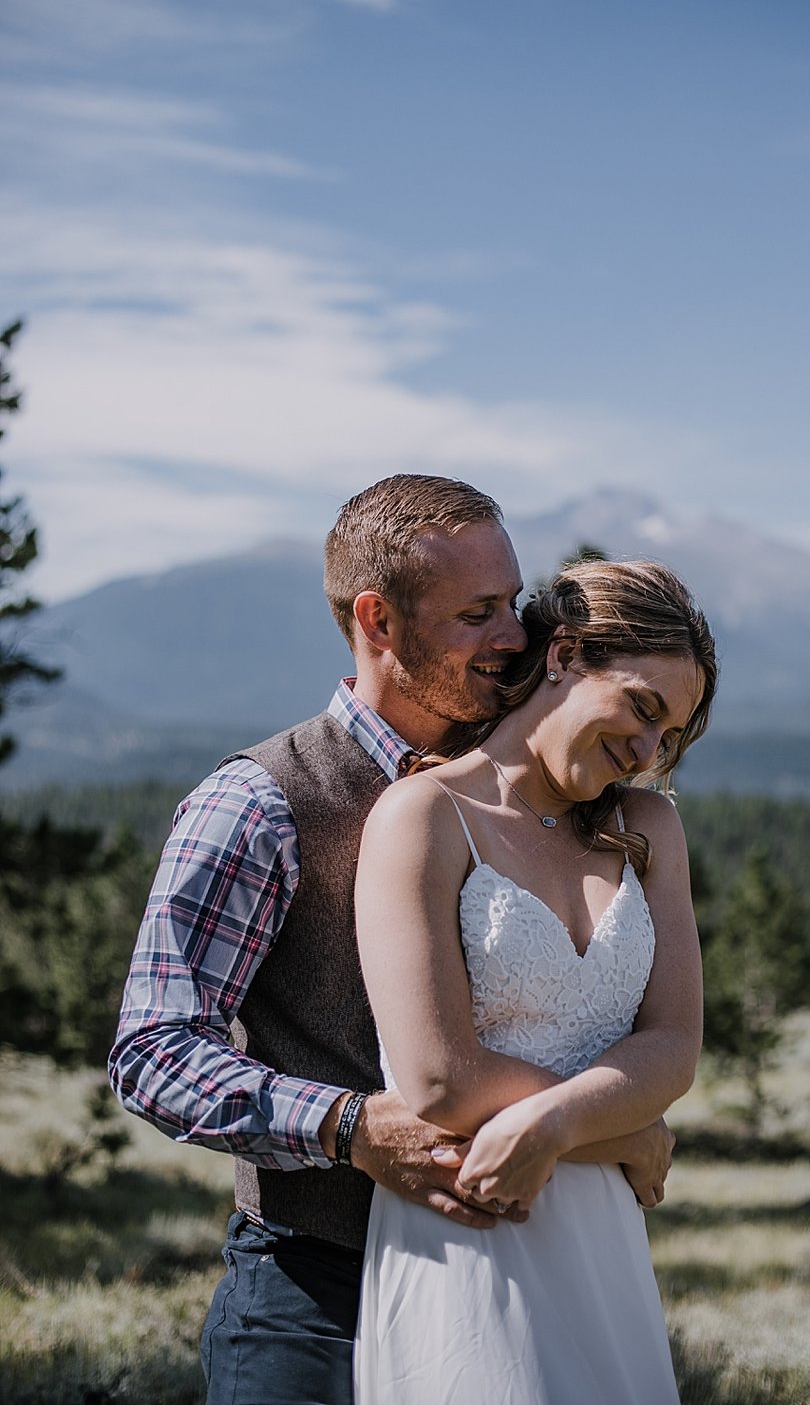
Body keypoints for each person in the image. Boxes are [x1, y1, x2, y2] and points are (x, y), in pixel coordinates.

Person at [109, 475, 675, 1405]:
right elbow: (154, 1052)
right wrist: (349, 1126)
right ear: (377, 620)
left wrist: (601, 1121)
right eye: (477, 613)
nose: (514, 634)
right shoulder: (259, 804)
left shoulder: (543, 785)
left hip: (513, 1275)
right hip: (311, 1288)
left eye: (513, 602)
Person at [353, 557, 717, 1404]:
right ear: (563, 657)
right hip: (469, 1242)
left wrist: (555, 1125)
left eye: (669, 737)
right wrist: (617, 1136)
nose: (645, 749)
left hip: (606, 1250)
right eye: (640, 707)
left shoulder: (650, 827)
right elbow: (440, 1078)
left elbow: (672, 1046)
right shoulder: (426, 815)